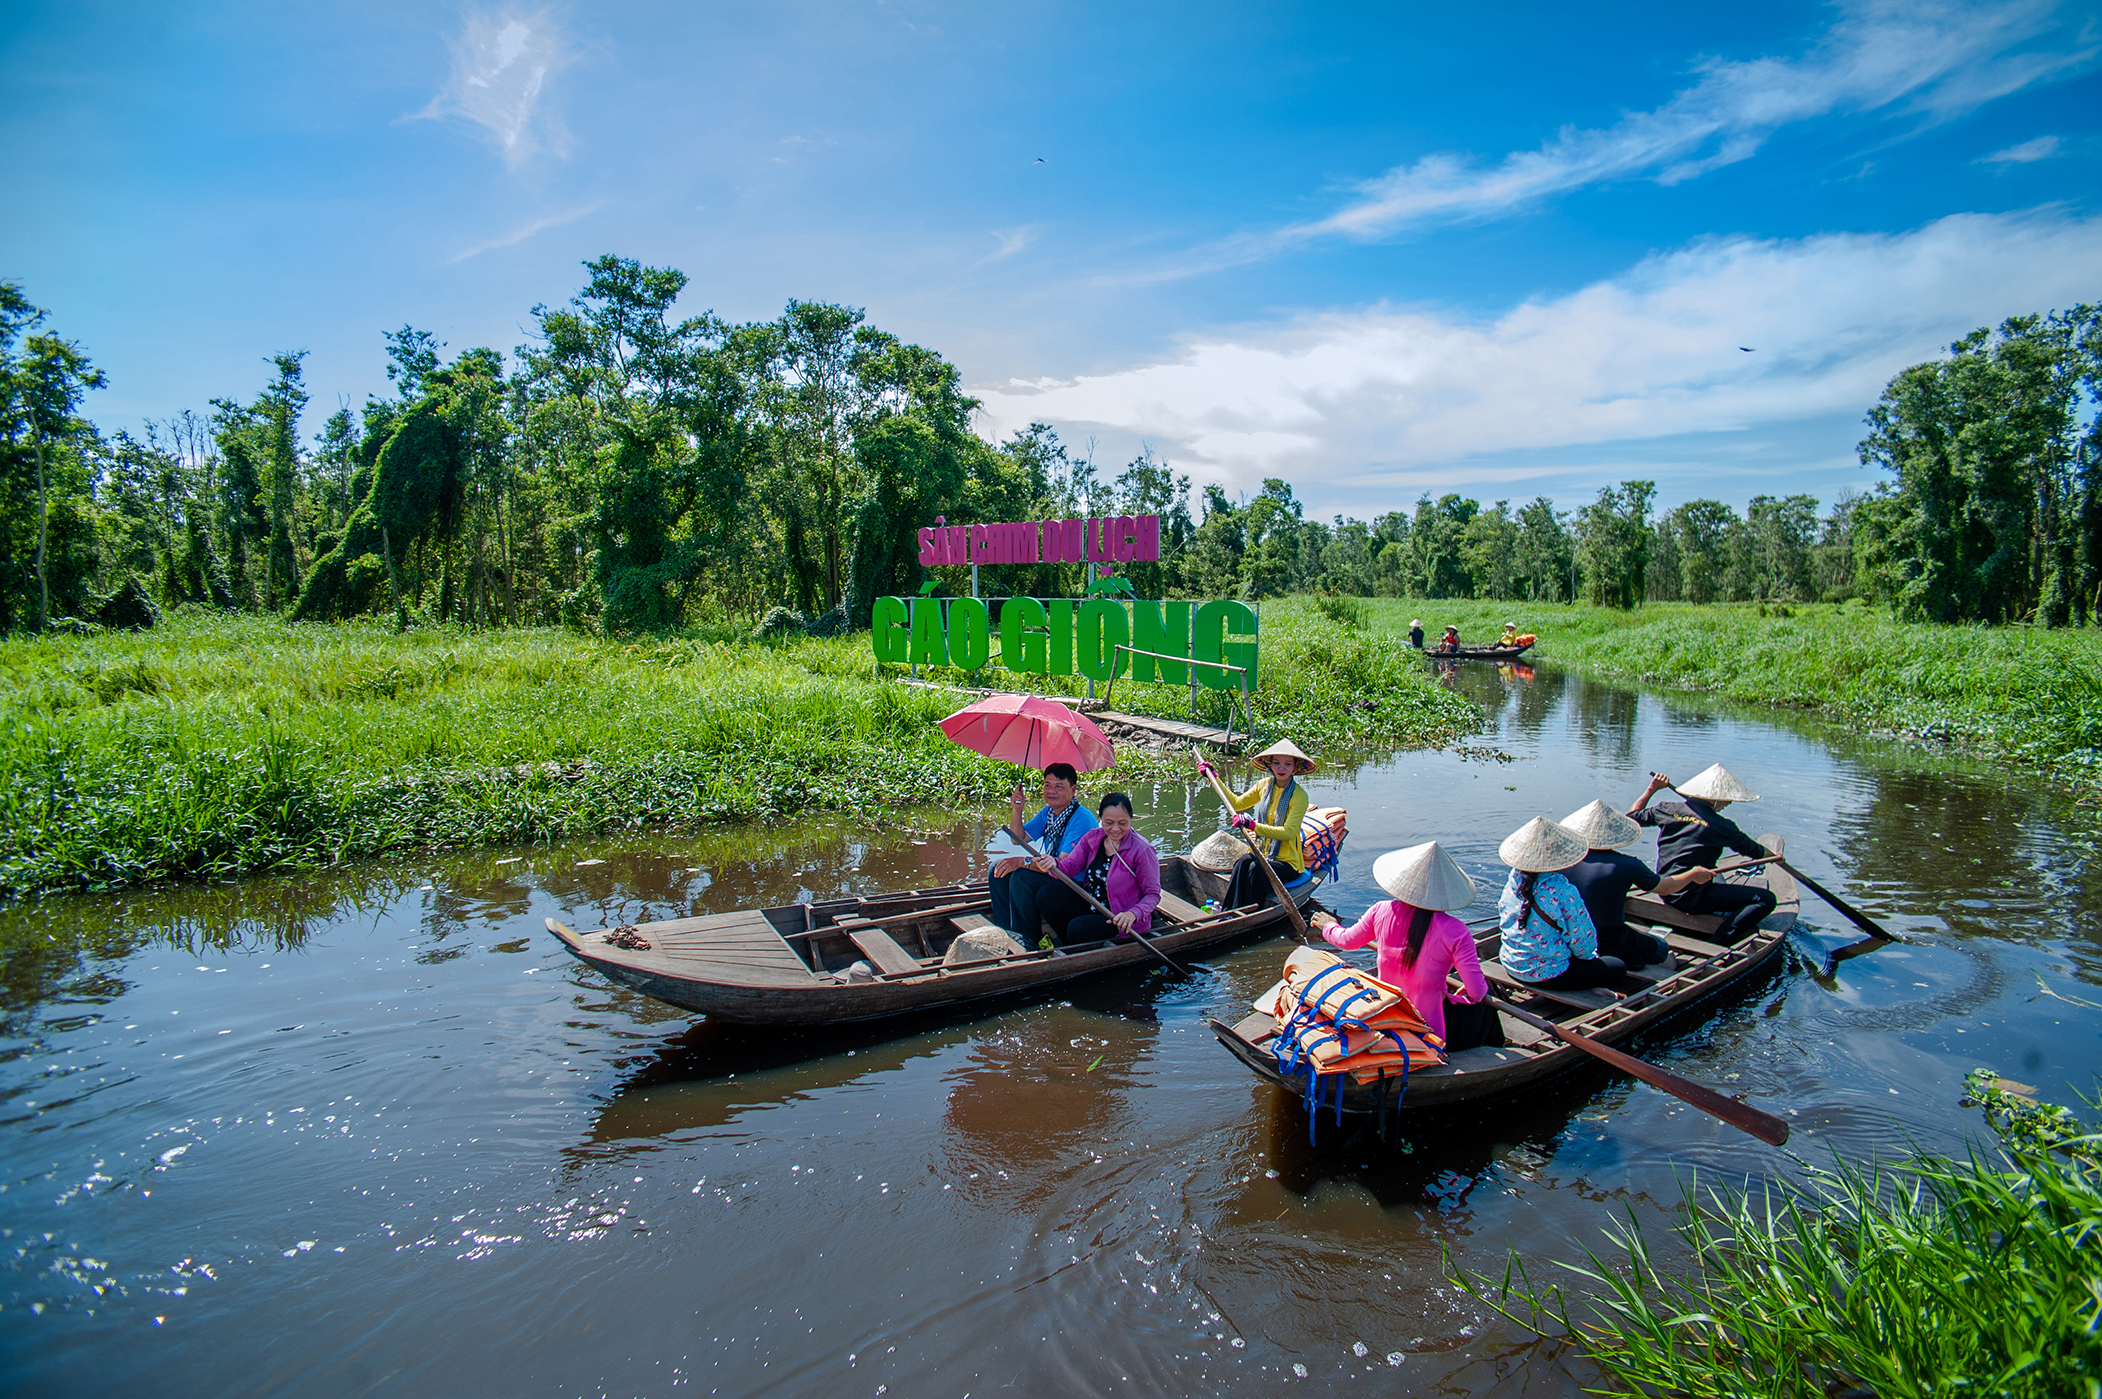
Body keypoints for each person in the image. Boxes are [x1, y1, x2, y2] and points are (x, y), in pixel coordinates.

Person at [1310, 840, 1503, 1051]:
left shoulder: (1380, 911)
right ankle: (1500, 1047)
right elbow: (1476, 992)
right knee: (1487, 1006)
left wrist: (1329, 925)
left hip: (1390, 1014)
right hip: (1429, 1028)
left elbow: (1346, 941)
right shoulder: (1456, 931)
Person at [1627, 765, 1776, 943]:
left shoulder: (1668, 809)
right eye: (1727, 799)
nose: (1729, 803)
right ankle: (1720, 940)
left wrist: (1651, 789)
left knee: (1715, 873)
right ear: (1715, 799)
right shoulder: (1722, 826)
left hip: (1664, 888)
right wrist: (1776, 856)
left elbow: (1632, 817)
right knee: (1766, 899)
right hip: (1689, 898)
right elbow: (1757, 852)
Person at [1560, 799, 1716, 968]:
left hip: (1568, 936)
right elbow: (1665, 888)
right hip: (1609, 941)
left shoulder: (1564, 861)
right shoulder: (1628, 864)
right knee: (1661, 947)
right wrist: (1693, 874)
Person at [1495, 816, 1626, 990]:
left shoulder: (1514, 878)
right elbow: (1583, 946)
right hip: (1549, 974)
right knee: (1617, 966)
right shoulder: (1561, 889)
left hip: (1511, 964)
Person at [1017, 791, 1161, 948]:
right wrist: (1054, 863)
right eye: (1109, 823)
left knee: (1077, 929)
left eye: (1122, 823)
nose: (1115, 829)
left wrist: (1132, 914)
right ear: (1101, 819)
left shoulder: (1142, 850)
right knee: (1046, 896)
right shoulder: (1093, 838)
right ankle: (1071, 946)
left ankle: (1076, 946)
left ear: (1130, 819)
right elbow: (1069, 867)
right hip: (1093, 903)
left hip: (1119, 918)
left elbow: (1153, 894)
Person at [989, 762, 1099, 938]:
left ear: (1073, 790)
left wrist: (1022, 862)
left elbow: (1064, 866)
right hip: (1052, 872)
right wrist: (1017, 809)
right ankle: (1005, 932)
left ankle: (1026, 939)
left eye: (1059, 787)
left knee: (1022, 877)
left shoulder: (1082, 819)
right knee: (997, 869)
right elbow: (1017, 838)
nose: (1051, 791)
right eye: (1047, 785)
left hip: (1075, 884)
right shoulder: (1048, 813)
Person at [1204, 740, 1314, 910]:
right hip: (1264, 853)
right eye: (1276, 763)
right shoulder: (1264, 786)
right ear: (1270, 765)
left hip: (1287, 863)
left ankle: (1250, 912)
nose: (1281, 768)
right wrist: (1214, 778)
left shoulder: (1299, 796)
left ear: (1295, 767)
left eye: (1287, 764)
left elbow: (1288, 833)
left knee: (1256, 869)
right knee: (1242, 862)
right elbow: (1237, 804)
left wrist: (1252, 825)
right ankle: (1228, 910)